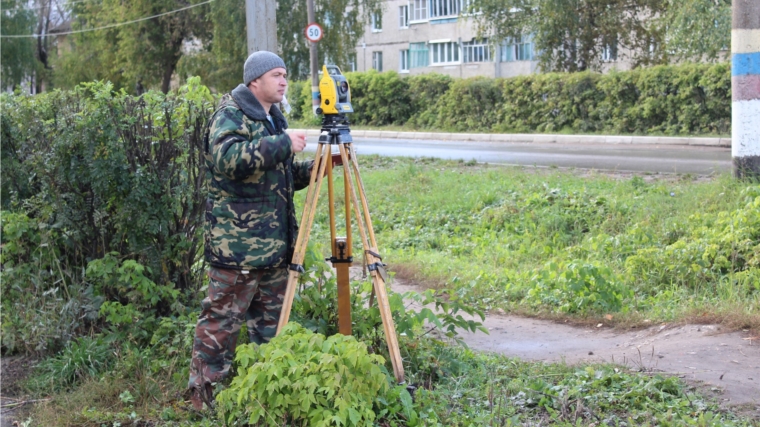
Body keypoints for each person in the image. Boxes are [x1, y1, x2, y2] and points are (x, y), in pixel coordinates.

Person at [188, 51, 312, 410]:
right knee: (220, 327)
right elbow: (230, 160)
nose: (284, 81)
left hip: (274, 251)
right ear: (255, 80)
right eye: (276, 74)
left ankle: (262, 397)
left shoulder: (273, 118)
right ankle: (203, 399)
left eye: (285, 74)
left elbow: (280, 178)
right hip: (237, 251)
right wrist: (285, 143)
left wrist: (316, 167)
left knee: (271, 332)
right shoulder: (231, 115)